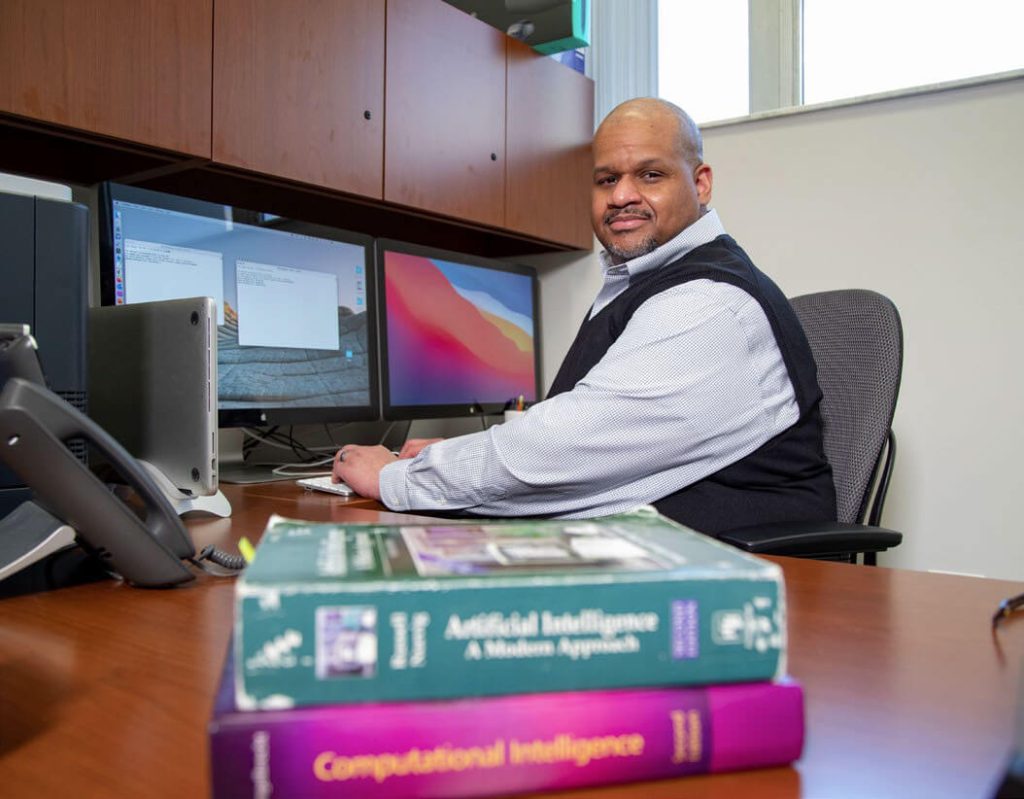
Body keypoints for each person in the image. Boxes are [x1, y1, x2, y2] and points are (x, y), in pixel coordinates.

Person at [333, 97, 836, 536]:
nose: (621, 196)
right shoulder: (643, 284)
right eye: (606, 179)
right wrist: (455, 455)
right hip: (652, 559)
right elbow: (576, 436)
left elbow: (560, 451)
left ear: (701, 184)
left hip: (725, 585)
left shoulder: (708, 304)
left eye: (650, 175)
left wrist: (393, 478)